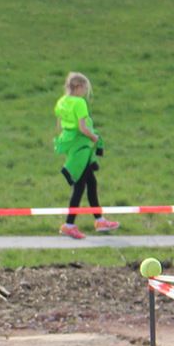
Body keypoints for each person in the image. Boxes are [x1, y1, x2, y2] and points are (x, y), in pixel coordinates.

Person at [52, 72, 121, 240]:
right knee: (80, 186)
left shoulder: (62, 101)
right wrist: (95, 138)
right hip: (82, 147)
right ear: (78, 87)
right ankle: (69, 225)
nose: (85, 92)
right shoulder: (79, 103)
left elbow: (59, 124)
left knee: (91, 182)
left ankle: (99, 220)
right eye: (85, 88)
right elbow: (83, 128)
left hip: (72, 145)